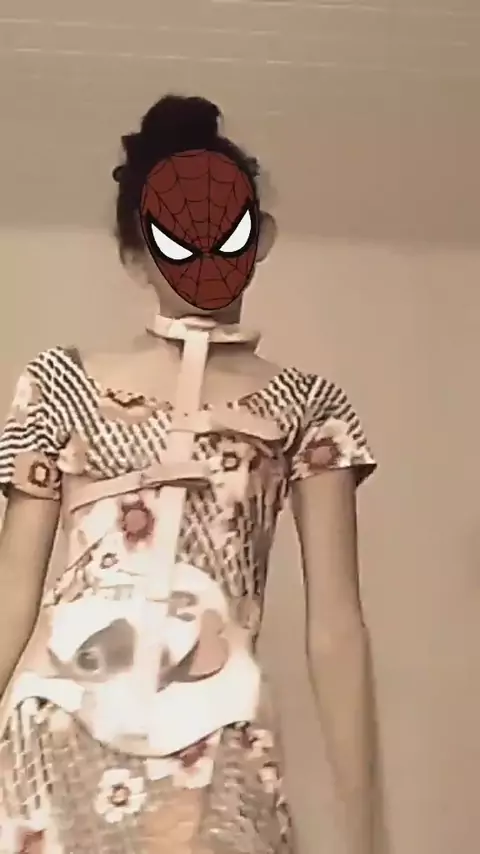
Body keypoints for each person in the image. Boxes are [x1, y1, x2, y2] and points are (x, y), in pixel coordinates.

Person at [0, 95, 377, 854]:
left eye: (227, 232)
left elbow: (336, 627)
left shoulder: (310, 406)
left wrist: (368, 830)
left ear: (261, 238)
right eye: (175, 240)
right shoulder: (59, 384)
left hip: (218, 734)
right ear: (135, 254)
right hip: (52, 735)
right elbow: (12, 590)